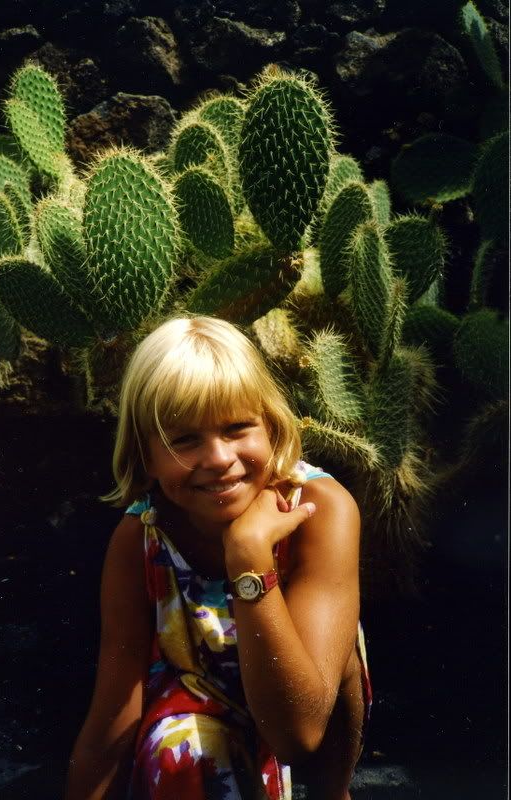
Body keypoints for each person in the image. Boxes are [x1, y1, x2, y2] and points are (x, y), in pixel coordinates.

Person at [64, 315, 371, 800]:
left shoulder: (320, 510)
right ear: (146, 454)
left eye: (237, 428)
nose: (219, 459)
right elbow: (114, 713)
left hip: (302, 714)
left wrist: (249, 557)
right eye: (184, 440)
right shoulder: (140, 537)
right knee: (182, 749)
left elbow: (299, 735)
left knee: (337, 657)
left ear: (271, 426)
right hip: (198, 714)